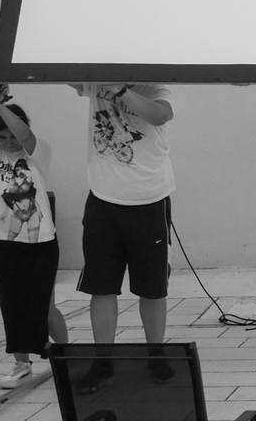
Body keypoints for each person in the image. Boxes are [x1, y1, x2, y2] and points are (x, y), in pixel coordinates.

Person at [0, 86, 70, 387]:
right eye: (2, 137)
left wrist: (3, 107)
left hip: (40, 243)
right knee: (12, 305)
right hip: (4, 244)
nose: (8, 142)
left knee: (44, 306)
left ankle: (65, 358)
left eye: (12, 136)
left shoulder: (38, 152)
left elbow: (26, 137)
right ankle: (21, 363)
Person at [70, 82, 175, 386]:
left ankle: (156, 356)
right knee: (101, 287)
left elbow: (160, 114)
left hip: (149, 201)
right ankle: (103, 361)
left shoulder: (156, 86)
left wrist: (121, 90)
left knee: (152, 288)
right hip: (103, 199)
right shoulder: (96, 82)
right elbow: (67, 73)